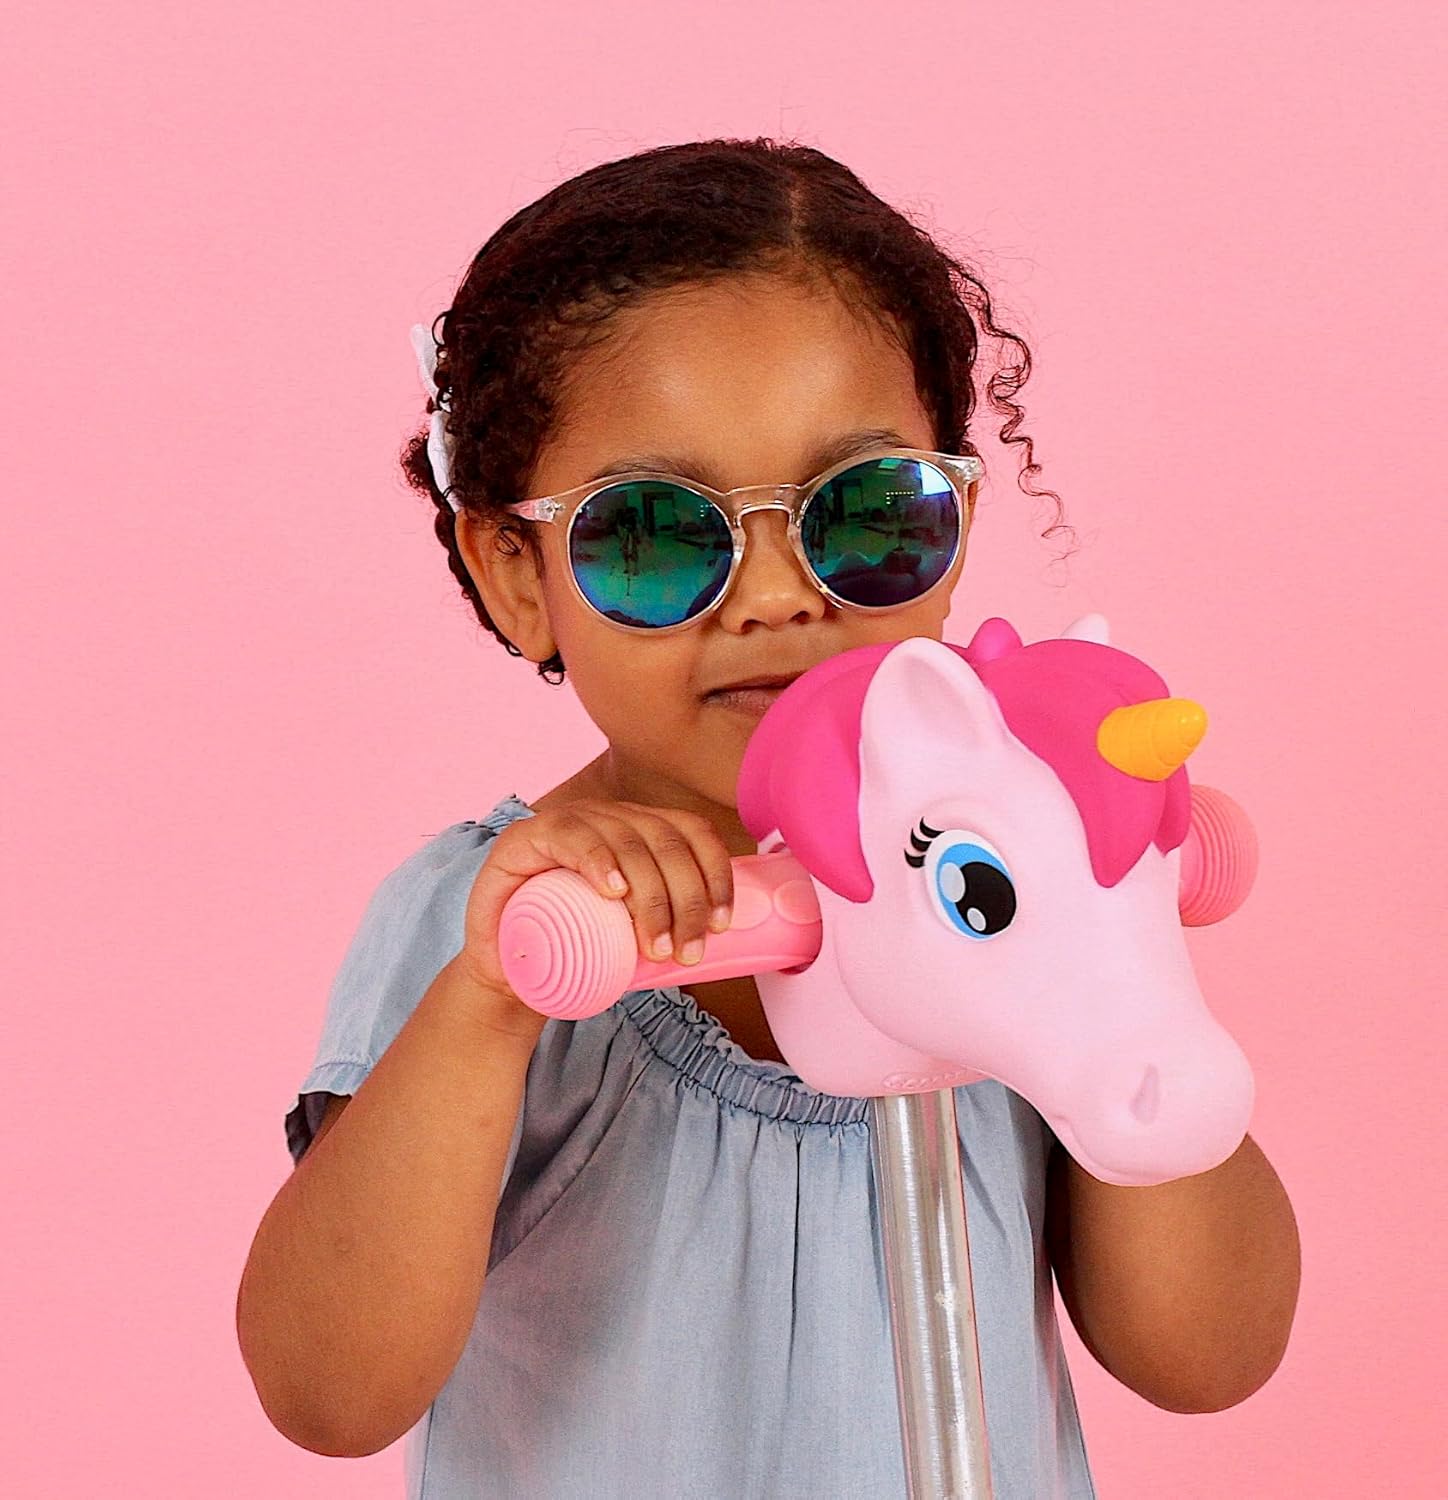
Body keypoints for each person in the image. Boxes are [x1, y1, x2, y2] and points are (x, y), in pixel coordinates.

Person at [236, 138, 1300, 1499]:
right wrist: (487, 1009)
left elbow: (1207, 1354)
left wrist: (1099, 956)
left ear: (956, 519)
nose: (783, 596)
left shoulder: (1007, 882)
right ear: (516, 573)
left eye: (866, 515)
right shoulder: (490, 922)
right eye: (657, 537)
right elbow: (328, 1391)